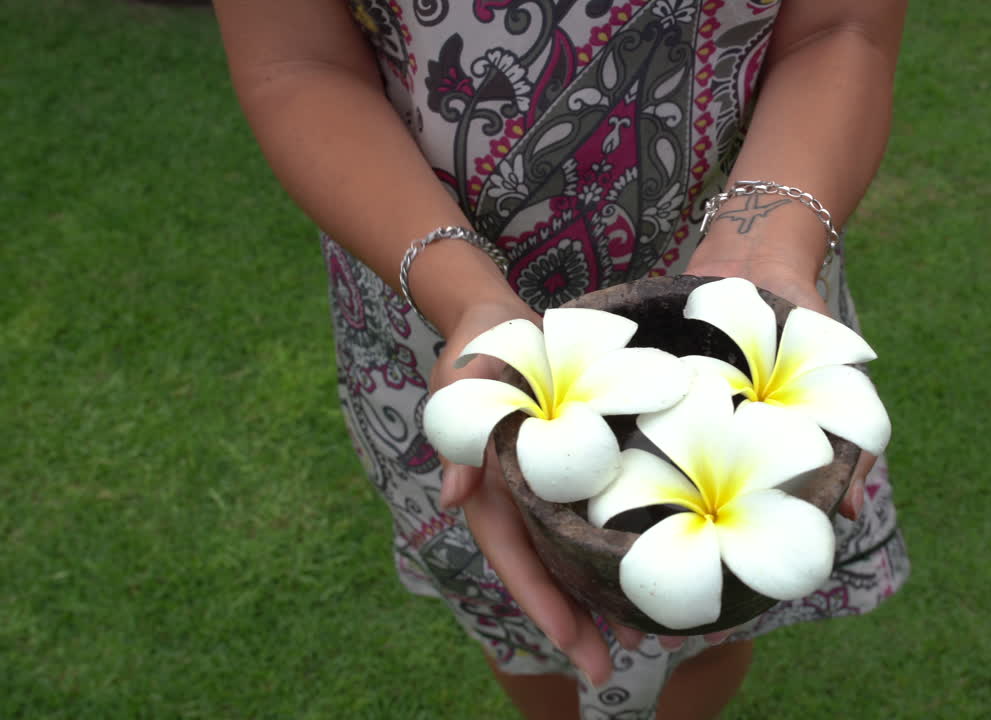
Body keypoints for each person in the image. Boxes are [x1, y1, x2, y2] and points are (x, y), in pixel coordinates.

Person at [212, 1, 909, 717]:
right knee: (520, 618)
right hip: (441, 300)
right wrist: (462, 295)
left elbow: (842, 25)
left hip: (746, 297)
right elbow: (296, 62)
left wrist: (770, 241)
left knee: (712, 623)